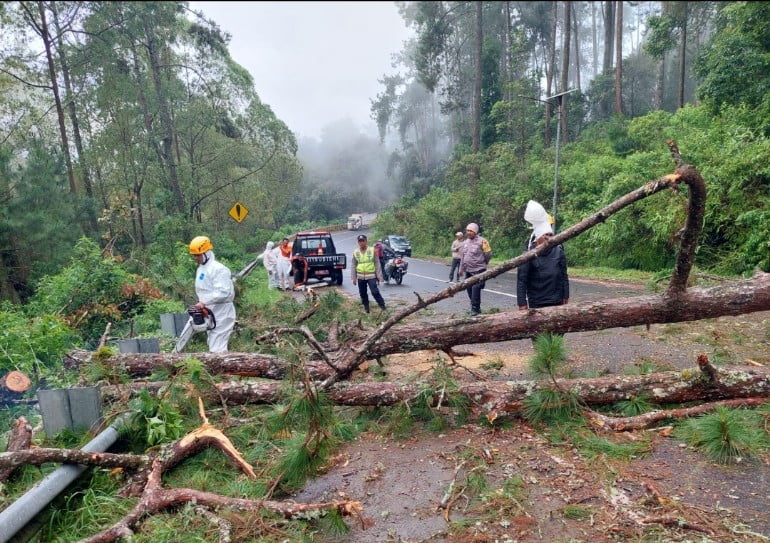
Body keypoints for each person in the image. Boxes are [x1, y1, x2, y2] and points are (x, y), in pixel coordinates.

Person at [517, 200, 569, 311]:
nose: (548, 238)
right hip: (537, 301)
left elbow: (563, 275)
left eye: (550, 235)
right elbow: (522, 280)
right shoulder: (528, 254)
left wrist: (565, 295)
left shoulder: (558, 251)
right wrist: (522, 303)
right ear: (538, 237)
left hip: (556, 300)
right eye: (545, 235)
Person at [188, 236, 236, 352]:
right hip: (210, 311)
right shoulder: (201, 269)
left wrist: (204, 302)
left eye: (198, 255)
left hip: (222, 311)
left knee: (217, 345)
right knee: (213, 341)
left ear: (207, 253)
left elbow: (224, 292)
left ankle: (221, 368)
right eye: (194, 255)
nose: (196, 258)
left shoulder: (218, 269)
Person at [458, 223, 492, 316]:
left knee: (475, 288)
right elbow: (463, 256)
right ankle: (475, 307)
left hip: (479, 270)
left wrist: (483, 263)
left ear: (475, 232)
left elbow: (488, 254)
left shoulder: (483, 241)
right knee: (469, 289)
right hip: (468, 270)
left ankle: (475, 309)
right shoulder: (466, 242)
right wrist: (461, 268)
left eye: (471, 231)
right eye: (467, 230)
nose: (468, 232)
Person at [351, 234, 386, 313]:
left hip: (371, 276)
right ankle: (366, 308)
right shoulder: (356, 252)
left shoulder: (372, 250)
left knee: (375, 292)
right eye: (360, 241)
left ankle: (382, 306)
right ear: (358, 242)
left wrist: (379, 275)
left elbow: (377, 263)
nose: (361, 243)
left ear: (366, 241)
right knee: (362, 293)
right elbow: (353, 265)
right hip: (360, 277)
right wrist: (353, 278)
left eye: (363, 241)